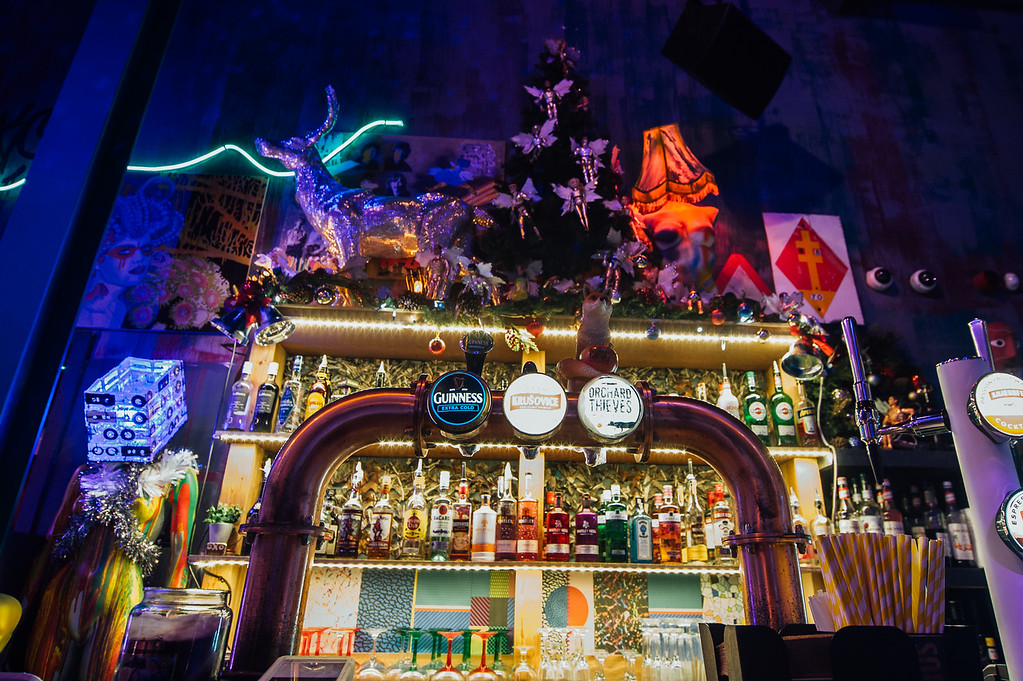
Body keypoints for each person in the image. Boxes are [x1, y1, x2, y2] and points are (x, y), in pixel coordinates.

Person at [21, 449, 199, 681]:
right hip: (63, 592)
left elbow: (180, 554)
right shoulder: (89, 471)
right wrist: (23, 608)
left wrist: (166, 621)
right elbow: (51, 542)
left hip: (119, 597)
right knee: (35, 675)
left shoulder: (176, 474)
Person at [76, 176, 183, 329]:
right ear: (98, 258)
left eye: (146, 250)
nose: (139, 259)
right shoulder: (80, 310)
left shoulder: (118, 309)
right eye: (125, 251)